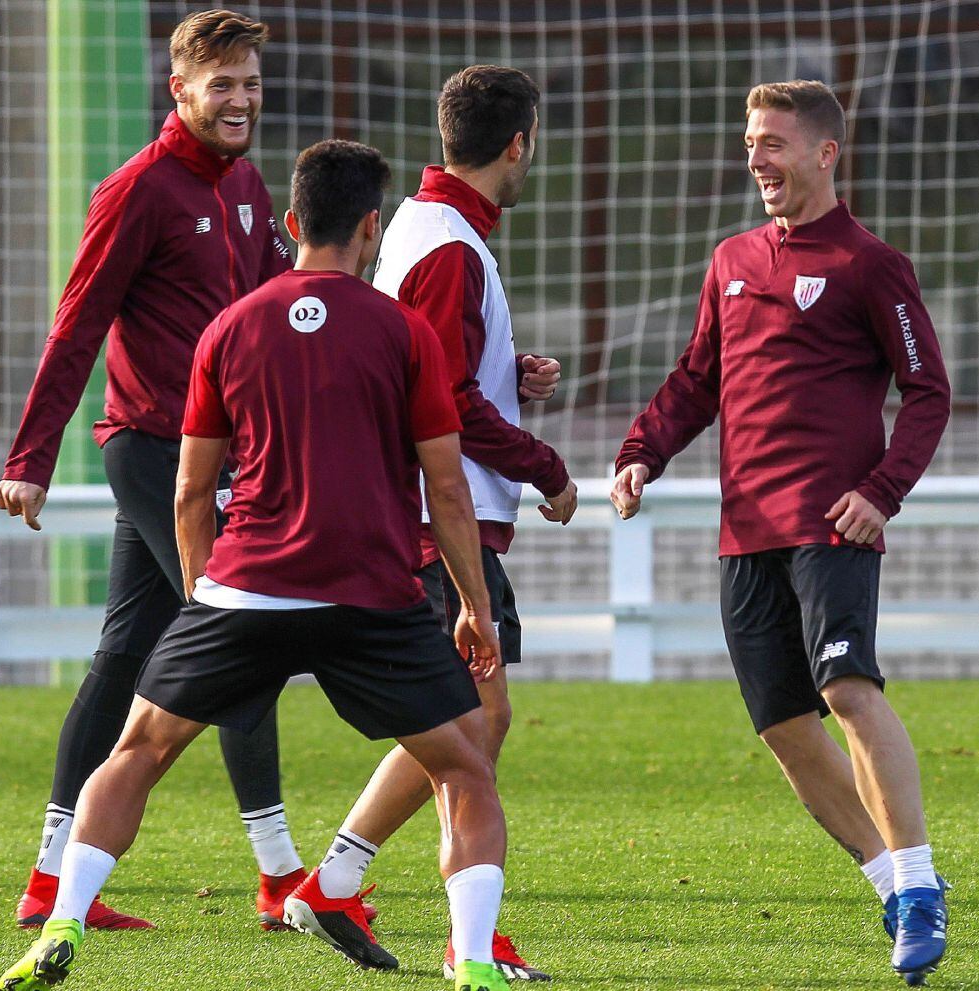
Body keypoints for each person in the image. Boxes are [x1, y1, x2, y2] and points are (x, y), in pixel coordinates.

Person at [0, 138, 518, 991]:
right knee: (464, 764)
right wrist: (474, 605)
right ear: (370, 226)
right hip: (371, 596)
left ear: (288, 223)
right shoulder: (404, 331)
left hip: (245, 588)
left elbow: (192, 489)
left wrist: (205, 590)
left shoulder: (228, 329)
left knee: (137, 751)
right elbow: (448, 488)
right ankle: (471, 962)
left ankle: (62, 920)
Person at [611, 79, 951, 986]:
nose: (757, 157)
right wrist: (642, 450)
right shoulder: (730, 259)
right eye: (751, 140)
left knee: (846, 688)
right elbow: (696, 379)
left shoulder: (870, 263)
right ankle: (890, 883)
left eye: (774, 142)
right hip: (743, 531)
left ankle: (919, 885)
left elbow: (929, 391)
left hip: (832, 522)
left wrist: (882, 490)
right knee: (784, 726)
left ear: (825, 153)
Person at [0, 9, 309, 931]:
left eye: (251, 82)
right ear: (180, 90)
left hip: (217, 452)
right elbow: (77, 325)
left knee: (127, 652)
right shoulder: (137, 190)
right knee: (244, 635)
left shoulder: (247, 184)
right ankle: (279, 871)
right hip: (152, 449)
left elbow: (279, 307)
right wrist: (30, 458)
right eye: (225, 85)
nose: (242, 99)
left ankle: (51, 881)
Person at [313, 64, 575, 983]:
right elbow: (448, 402)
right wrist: (545, 465)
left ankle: (337, 881)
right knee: (476, 727)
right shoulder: (453, 244)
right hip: (435, 519)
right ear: (520, 142)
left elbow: (438, 367)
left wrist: (514, 369)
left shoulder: (432, 231)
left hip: (428, 515)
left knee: (458, 729)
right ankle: (472, 938)